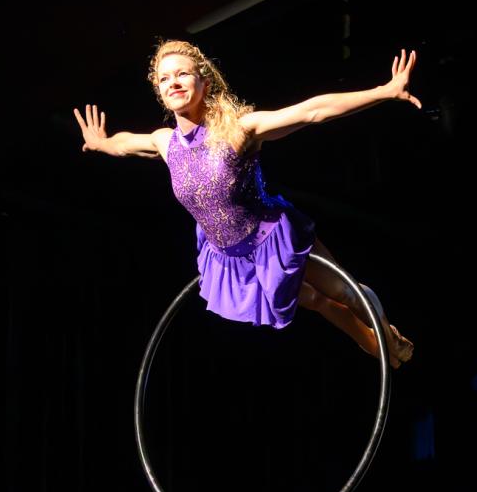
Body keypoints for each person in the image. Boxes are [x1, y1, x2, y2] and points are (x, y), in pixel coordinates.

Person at [73, 39, 417, 367]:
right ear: (159, 91)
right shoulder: (166, 142)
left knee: (343, 291)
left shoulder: (238, 130)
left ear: (204, 83)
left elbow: (312, 111)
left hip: (271, 237)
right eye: (164, 78)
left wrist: (383, 92)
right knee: (313, 300)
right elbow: (124, 144)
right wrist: (101, 143)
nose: (173, 83)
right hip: (230, 255)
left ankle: (385, 337)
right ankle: (376, 344)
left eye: (182, 74)